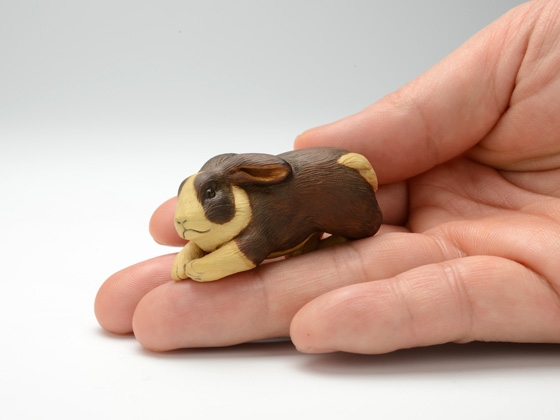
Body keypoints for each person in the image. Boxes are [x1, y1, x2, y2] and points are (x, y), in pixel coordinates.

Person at [95, 0, 560, 354]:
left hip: (337, 180)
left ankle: (345, 226)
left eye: (207, 196)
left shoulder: (256, 223)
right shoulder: (239, 214)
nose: (185, 220)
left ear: (243, 183)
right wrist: (189, 253)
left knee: (354, 219)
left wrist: (197, 267)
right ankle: (307, 239)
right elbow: (207, 244)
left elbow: (241, 255)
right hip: (309, 198)